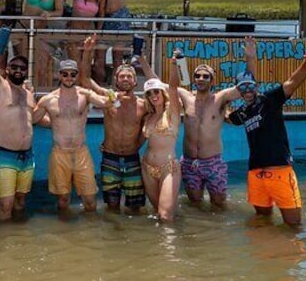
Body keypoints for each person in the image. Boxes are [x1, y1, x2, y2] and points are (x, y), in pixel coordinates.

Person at [225, 46, 306, 227]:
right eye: (242, 88)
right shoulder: (243, 112)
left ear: (256, 86)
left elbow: (293, 82)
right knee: (262, 223)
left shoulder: (270, 100)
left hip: (280, 171)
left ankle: (293, 255)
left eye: (250, 86)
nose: (247, 90)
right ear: (238, 91)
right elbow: (228, 119)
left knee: (293, 225)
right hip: (256, 174)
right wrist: (211, 101)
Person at [175, 39, 255, 207]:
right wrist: (172, 63)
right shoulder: (184, 96)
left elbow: (248, 84)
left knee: (219, 204)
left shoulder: (220, 98)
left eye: (205, 76)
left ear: (212, 81)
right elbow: (161, 86)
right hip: (189, 163)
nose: (201, 78)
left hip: (212, 163)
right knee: (195, 204)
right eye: (197, 75)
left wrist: (250, 58)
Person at [32, 59, 112, 212]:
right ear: (59, 75)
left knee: (90, 200)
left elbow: (105, 102)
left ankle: (90, 232)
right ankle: (64, 233)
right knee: (63, 200)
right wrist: (52, 122)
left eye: (72, 74)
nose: (69, 77)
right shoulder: (48, 100)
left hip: (81, 152)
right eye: (65, 74)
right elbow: (33, 119)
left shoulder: (85, 95)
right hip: (59, 153)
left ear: (76, 76)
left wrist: (112, 96)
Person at [80, 34, 147, 214]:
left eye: (129, 76)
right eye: (122, 76)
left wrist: (136, 145)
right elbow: (85, 80)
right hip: (110, 158)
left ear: (135, 81)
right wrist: (88, 53)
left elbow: (147, 129)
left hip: (133, 158)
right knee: (112, 206)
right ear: (116, 80)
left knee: (135, 207)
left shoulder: (144, 105)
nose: (125, 79)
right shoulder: (107, 98)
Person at [0, 26, 38, 221]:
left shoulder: (29, 94)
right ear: (7, 69)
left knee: (21, 200)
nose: (18, 70)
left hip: (27, 157)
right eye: (14, 67)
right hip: (4, 154)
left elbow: (35, 119)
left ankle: (17, 241)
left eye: (22, 68)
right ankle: (3, 246)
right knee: (5, 204)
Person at [141, 70, 182, 222]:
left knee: (165, 215)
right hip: (147, 167)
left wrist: (173, 65)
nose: (153, 96)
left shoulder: (172, 112)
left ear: (162, 92)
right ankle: (158, 243)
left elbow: (173, 88)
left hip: (168, 167)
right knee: (157, 211)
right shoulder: (148, 116)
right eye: (149, 93)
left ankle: (171, 245)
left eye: (156, 91)